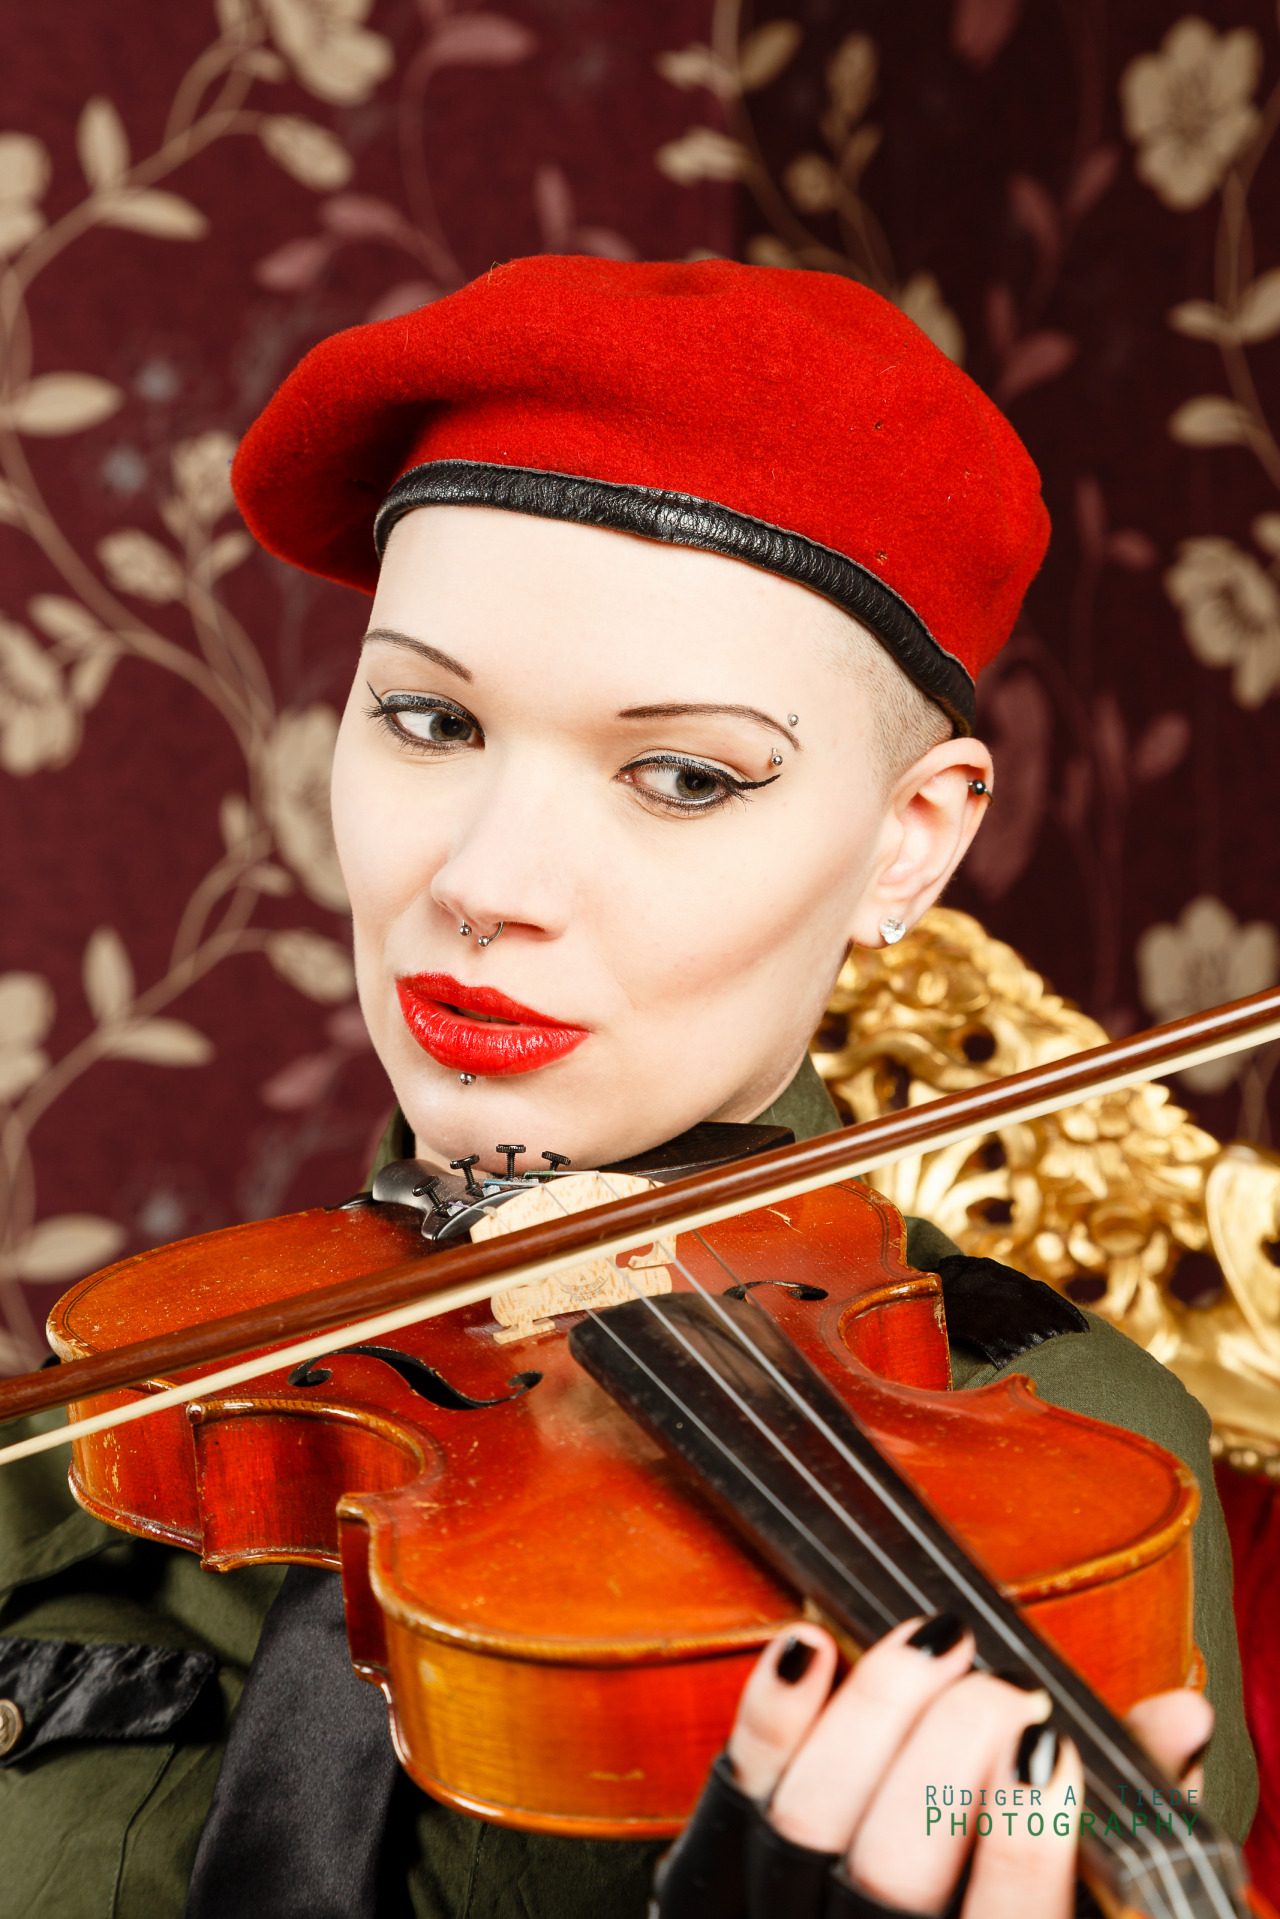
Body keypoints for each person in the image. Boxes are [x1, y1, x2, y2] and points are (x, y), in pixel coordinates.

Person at [0, 256, 1255, 1919]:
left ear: (912, 839)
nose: (488, 880)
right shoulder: (146, 1415)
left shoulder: (1060, 1480)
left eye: (681, 774)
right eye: (430, 719)